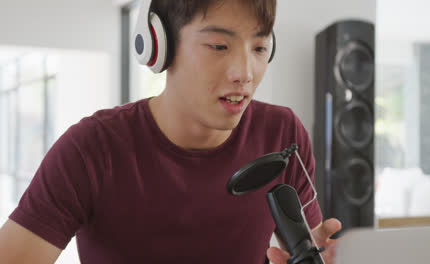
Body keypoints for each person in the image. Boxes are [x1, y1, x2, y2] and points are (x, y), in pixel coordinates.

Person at [0, 0, 341, 263]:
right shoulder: (91, 148)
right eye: (219, 47)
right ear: (158, 45)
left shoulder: (282, 135)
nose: (245, 73)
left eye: (259, 48)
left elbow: (310, 244)